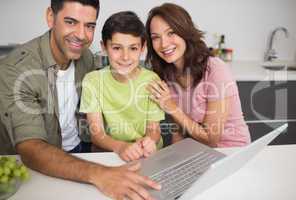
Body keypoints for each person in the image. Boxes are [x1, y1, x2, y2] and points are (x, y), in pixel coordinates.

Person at [0, 1, 161, 200]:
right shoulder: (16, 70)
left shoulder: (85, 58)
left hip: (83, 151)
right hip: (41, 161)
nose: (81, 35)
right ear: (51, 17)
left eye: (89, 26)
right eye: (71, 22)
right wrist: (101, 173)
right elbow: (31, 148)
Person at [145, 3, 251, 147]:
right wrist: (176, 157)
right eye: (156, 37)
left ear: (185, 32)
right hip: (197, 151)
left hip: (231, 151)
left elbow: (211, 139)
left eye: (171, 33)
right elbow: (180, 130)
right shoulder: (167, 73)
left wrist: (170, 106)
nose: (163, 44)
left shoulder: (215, 69)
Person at [80, 11, 165, 162]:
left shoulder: (152, 80)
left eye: (133, 48)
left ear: (143, 47)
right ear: (104, 47)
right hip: (113, 152)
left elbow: (154, 130)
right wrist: (121, 147)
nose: (125, 57)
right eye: (117, 48)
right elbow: (97, 134)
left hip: (147, 154)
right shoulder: (92, 81)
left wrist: (149, 141)